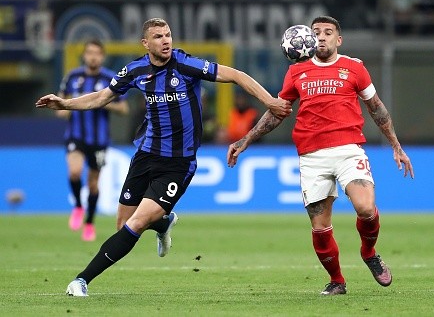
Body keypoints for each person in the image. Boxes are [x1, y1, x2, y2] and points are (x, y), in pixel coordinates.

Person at [36, 18, 292, 296]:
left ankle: (81, 280)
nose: (166, 40)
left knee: (134, 224)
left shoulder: (185, 64)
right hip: (145, 156)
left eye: (168, 35)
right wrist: (65, 103)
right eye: (158, 36)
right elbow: (102, 97)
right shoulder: (134, 70)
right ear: (145, 43)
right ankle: (163, 221)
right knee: (123, 224)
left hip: (178, 163)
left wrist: (269, 101)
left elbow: (237, 75)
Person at [227, 15, 414, 296]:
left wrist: (396, 146)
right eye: (317, 32)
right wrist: (246, 139)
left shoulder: (355, 68)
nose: (322, 36)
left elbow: (377, 108)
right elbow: (277, 112)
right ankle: (337, 281)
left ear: (338, 39)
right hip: (311, 155)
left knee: (365, 207)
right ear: (310, 39)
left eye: (328, 32)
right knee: (320, 226)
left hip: (349, 149)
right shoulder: (296, 72)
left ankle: (369, 252)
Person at [57, 39, 130, 242]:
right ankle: (79, 208)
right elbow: (61, 103)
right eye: (89, 52)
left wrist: (102, 102)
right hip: (76, 135)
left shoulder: (110, 78)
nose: (93, 56)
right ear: (84, 55)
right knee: (74, 171)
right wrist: (63, 110)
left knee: (93, 184)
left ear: (103, 56)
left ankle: (89, 222)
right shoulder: (72, 77)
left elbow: (124, 109)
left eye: (97, 53)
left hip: (99, 140)